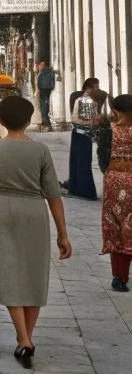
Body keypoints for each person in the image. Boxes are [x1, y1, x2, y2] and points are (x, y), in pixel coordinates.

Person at [0, 95, 72, 368]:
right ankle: (25, 340)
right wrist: (62, 234)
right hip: (35, 212)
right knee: (33, 275)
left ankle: (24, 339)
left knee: (9, 273)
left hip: (2, 211)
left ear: (0, 120)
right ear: (29, 120)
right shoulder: (40, 151)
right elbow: (53, 194)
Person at [102, 94, 132, 292]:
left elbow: (102, 160)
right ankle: (124, 274)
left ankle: (118, 276)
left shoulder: (109, 131)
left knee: (115, 225)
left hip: (113, 180)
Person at [65, 78, 105, 200]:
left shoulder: (90, 100)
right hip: (82, 133)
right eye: (96, 86)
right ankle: (82, 189)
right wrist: (94, 120)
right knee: (81, 160)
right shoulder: (84, 100)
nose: (98, 89)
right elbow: (81, 119)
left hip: (83, 133)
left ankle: (79, 187)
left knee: (81, 160)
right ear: (89, 88)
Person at [35, 59, 56, 131]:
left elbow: (44, 84)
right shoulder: (45, 71)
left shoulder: (45, 72)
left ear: (42, 64)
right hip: (45, 91)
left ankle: (46, 124)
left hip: (44, 91)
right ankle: (45, 123)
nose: (37, 67)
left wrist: (39, 90)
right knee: (44, 108)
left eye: (38, 65)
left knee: (44, 108)